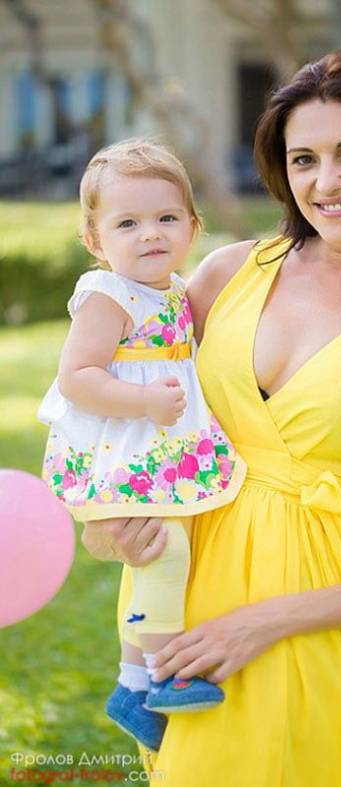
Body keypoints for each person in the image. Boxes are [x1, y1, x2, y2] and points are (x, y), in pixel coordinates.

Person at [81, 49, 341, 785]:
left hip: (302, 615)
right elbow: (123, 414)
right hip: (178, 589)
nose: (326, 182)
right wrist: (109, 527)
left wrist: (259, 624)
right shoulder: (228, 271)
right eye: (304, 158)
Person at [38, 140, 244, 752]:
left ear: (193, 226)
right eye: (127, 223)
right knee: (162, 551)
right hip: (114, 451)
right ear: (95, 241)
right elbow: (78, 376)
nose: (149, 234)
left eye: (166, 219)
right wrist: (146, 402)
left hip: (152, 448)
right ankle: (162, 673)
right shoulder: (108, 294)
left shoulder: (175, 289)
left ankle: (134, 684)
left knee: (163, 552)